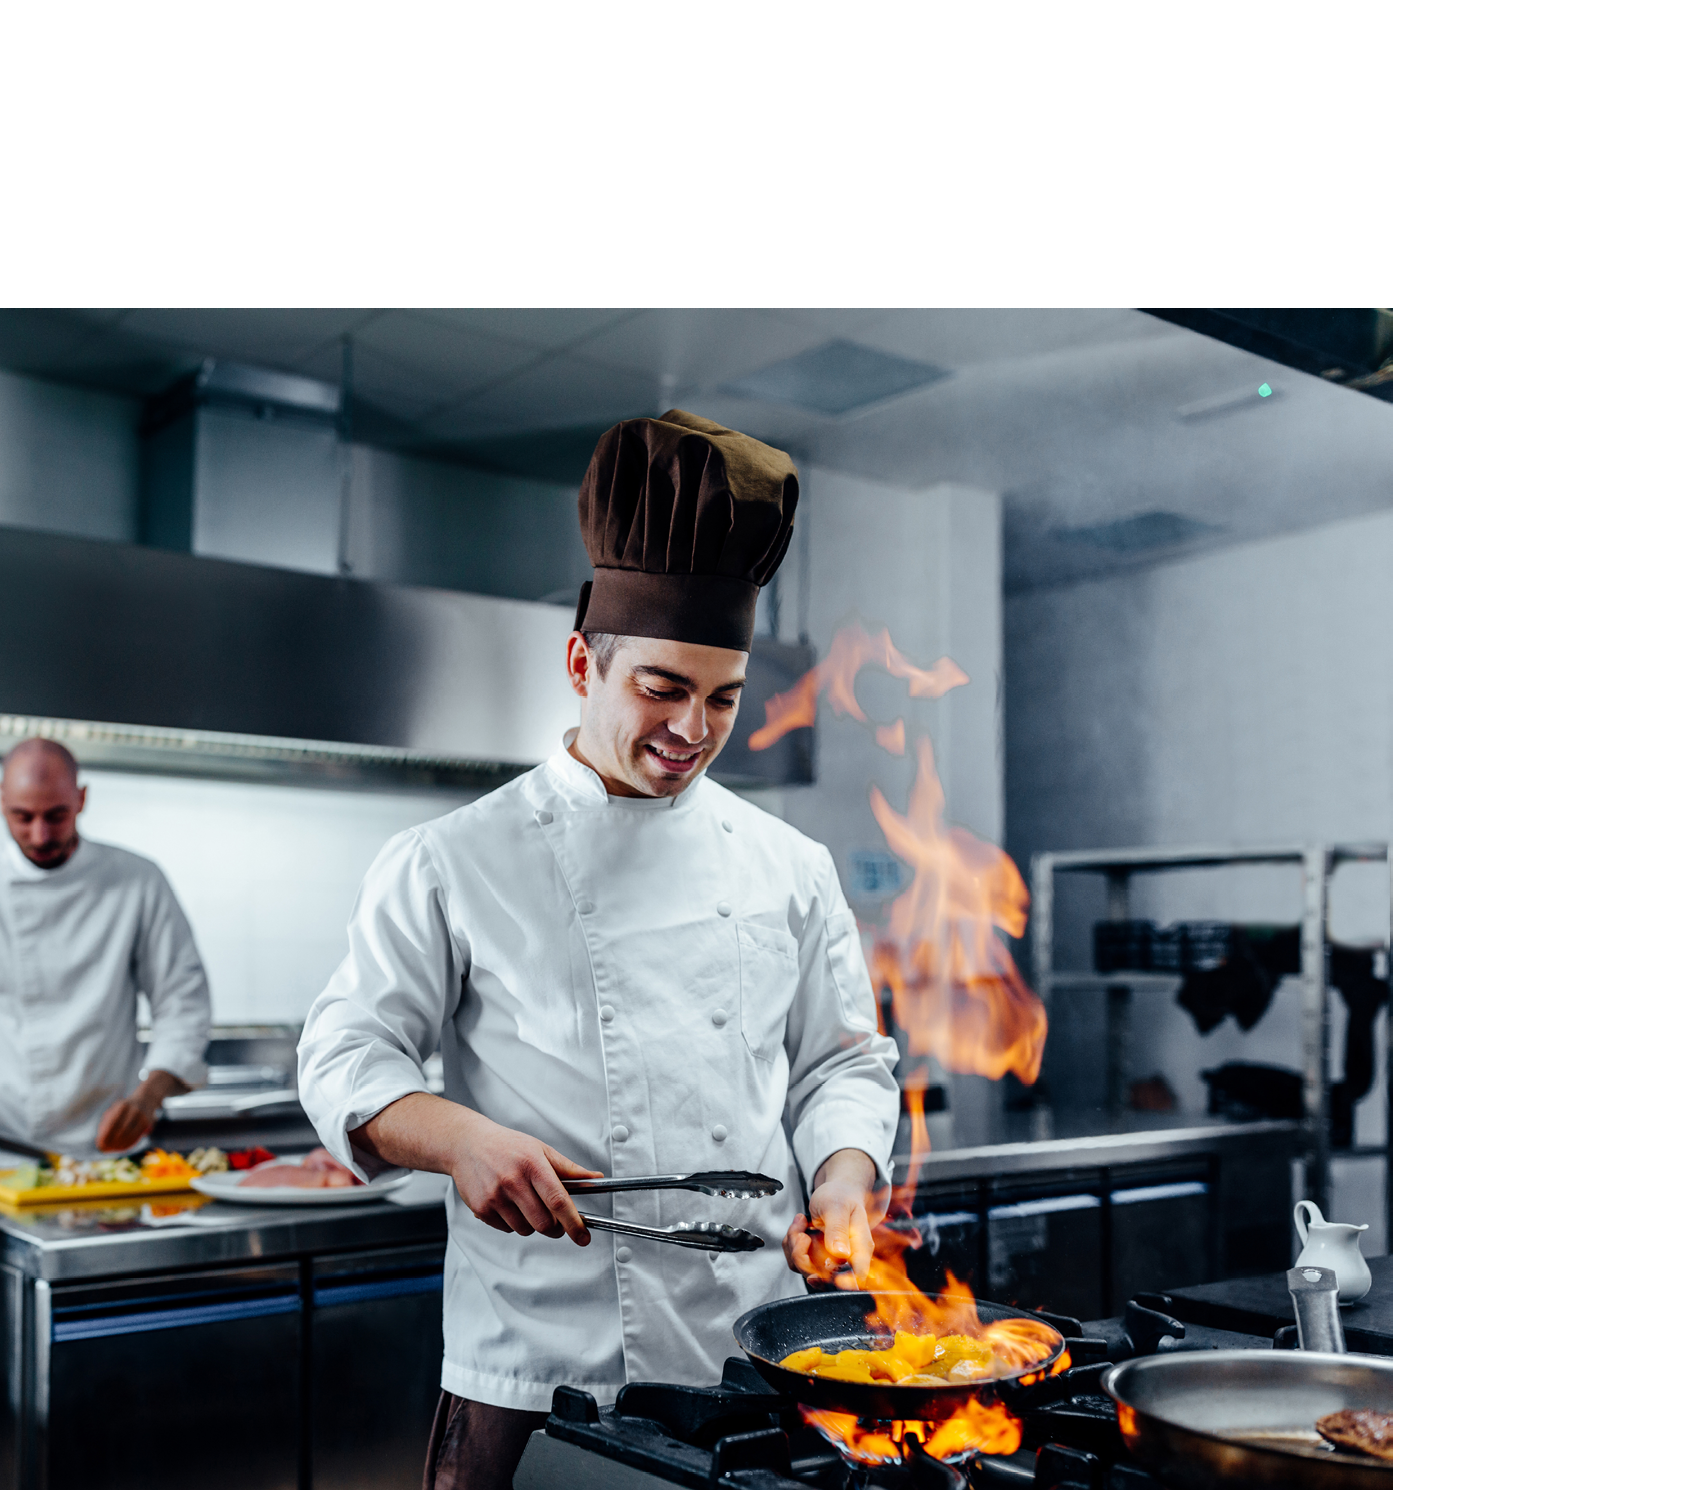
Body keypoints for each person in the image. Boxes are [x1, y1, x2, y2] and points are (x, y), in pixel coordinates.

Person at [297, 411, 901, 1489]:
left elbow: (840, 1064)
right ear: (583, 660)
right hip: (534, 1371)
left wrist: (846, 1180)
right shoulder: (453, 857)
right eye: (660, 688)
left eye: (721, 698)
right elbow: (347, 1054)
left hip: (756, 1356)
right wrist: (461, 1139)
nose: (692, 729)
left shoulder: (787, 863)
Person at [0, 738, 211, 1155]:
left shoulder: (138, 880)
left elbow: (182, 1003)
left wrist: (149, 1096)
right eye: (23, 817)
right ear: (1, 800)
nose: (40, 835)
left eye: (56, 816)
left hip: (111, 1139)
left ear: (81, 799)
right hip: (6, 1143)